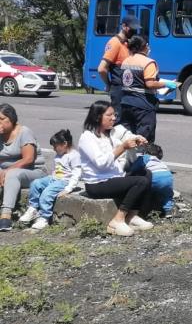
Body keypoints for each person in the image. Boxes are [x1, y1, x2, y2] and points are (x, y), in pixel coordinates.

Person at [78, 100, 154, 236]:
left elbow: (126, 135)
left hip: (114, 177)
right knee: (140, 182)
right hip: (97, 183)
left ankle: (131, 216)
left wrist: (136, 139)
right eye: (109, 115)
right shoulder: (87, 138)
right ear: (97, 117)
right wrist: (122, 147)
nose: (114, 118)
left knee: (146, 174)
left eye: (114, 114)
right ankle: (117, 220)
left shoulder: (110, 133)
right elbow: (101, 164)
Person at [19, 129, 82, 230]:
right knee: (36, 183)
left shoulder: (74, 156)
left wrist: (68, 189)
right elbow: (57, 170)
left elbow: (76, 173)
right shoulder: (60, 154)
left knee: (46, 193)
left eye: (55, 146)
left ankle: (44, 217)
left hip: (64, 182)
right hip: (54, 178)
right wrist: (50, 179)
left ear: (64, 144)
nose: (54, 149)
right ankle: (33, 208)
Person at [119, 35, 178, 143]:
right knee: (144, 139)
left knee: (127, 137)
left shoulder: (125, 61)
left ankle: (128, 159)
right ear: (144, 46)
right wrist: (166, 84)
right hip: (143, 105)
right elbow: (150, 83)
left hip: (126, 103)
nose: (149, 48)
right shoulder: (148, 62)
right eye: (148, 45)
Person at [0, 104, 47, 231]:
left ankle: (6, 215)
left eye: (2, 119)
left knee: (13, 174)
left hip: (33, 171)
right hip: (7, 171)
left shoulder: (24, 132)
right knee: (10, 173)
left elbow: (28, 159)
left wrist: (5, 171)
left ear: (12, 119)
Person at [98, 15, 141, 123]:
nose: (134, 31)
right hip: (118, 90)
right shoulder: (115, 43)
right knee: (117, 122)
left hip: (127, 89)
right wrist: (108, 84)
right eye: (132, 28)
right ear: (124, 26)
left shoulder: (127, 43)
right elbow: (102, 69)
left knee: (127, 122)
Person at [124, 143, 175, 218]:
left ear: (145, 152)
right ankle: (168, 210)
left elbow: (134, 168)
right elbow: (168, 170)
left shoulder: (144, 157)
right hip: (168, 177)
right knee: (167, 194)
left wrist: (127, 175)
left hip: (155, 177)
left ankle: (143, 211)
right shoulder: (160, 162)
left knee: (146, 191)